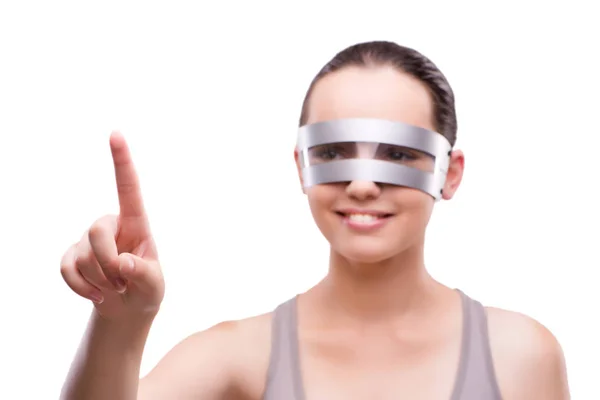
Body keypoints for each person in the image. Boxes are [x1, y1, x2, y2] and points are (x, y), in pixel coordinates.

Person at [59, 41, 570, 400]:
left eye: (397, 153)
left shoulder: (522, 355)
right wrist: (119, 324)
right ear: (302, 165)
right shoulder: (239, 356)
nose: (364, 184)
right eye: (335, 152)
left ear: (449, 173)